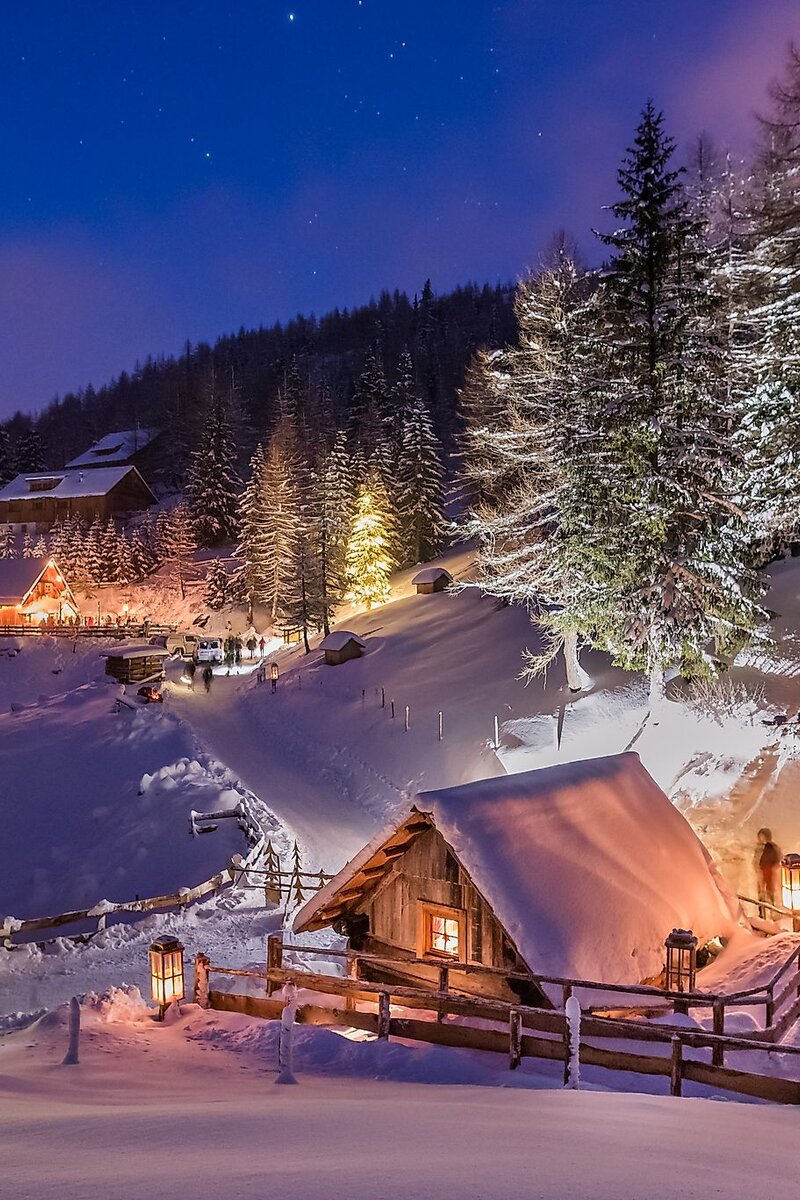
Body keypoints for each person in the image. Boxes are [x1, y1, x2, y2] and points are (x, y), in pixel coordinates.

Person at [755, 828, 782, 916]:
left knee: (770, 891)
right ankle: (762, 913)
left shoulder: (771, 847)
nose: (761, 838)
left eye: (762, 836)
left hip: (769, 871)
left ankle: (773, 912)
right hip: (761, 871)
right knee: (761, 892)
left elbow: (777, 858)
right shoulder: (759, 847)